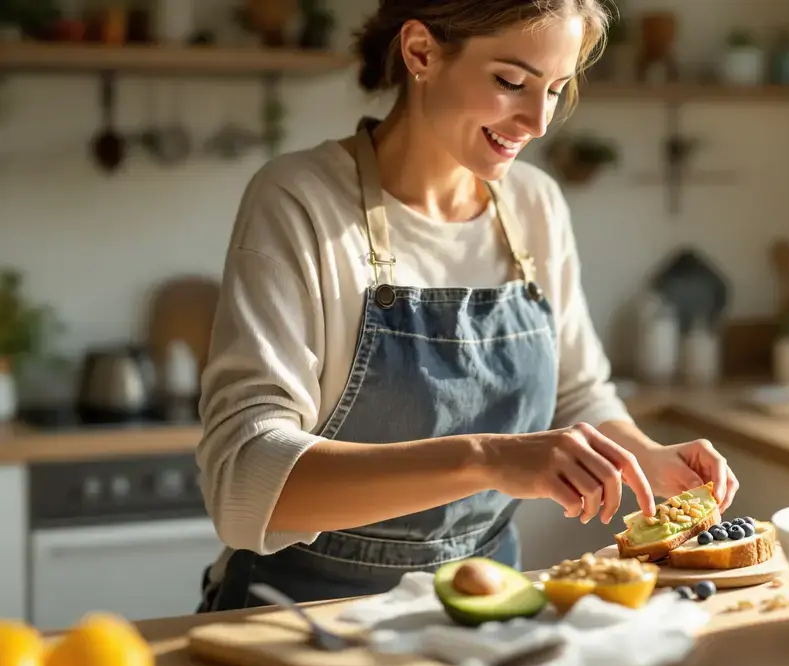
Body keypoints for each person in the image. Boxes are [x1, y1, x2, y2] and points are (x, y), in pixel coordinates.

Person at [194, 0, 740, 613]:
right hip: (300, 618)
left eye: (556, 89)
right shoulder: (301, 201)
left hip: (484, 609)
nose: (537, 120)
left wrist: (645, 457)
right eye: (511, 82)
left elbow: (578, 394)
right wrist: (486, 459)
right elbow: (244, 478)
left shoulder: (535, 204)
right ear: (421, 52)